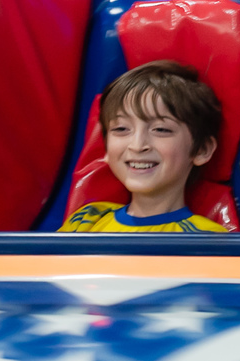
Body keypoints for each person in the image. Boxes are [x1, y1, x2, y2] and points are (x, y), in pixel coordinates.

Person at [60, 61, 227, 233]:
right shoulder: (86, 220)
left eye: (161, 130)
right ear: (106, 149)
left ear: (202, 150)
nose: (137, 145)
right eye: (121, 129)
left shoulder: (205, 240)